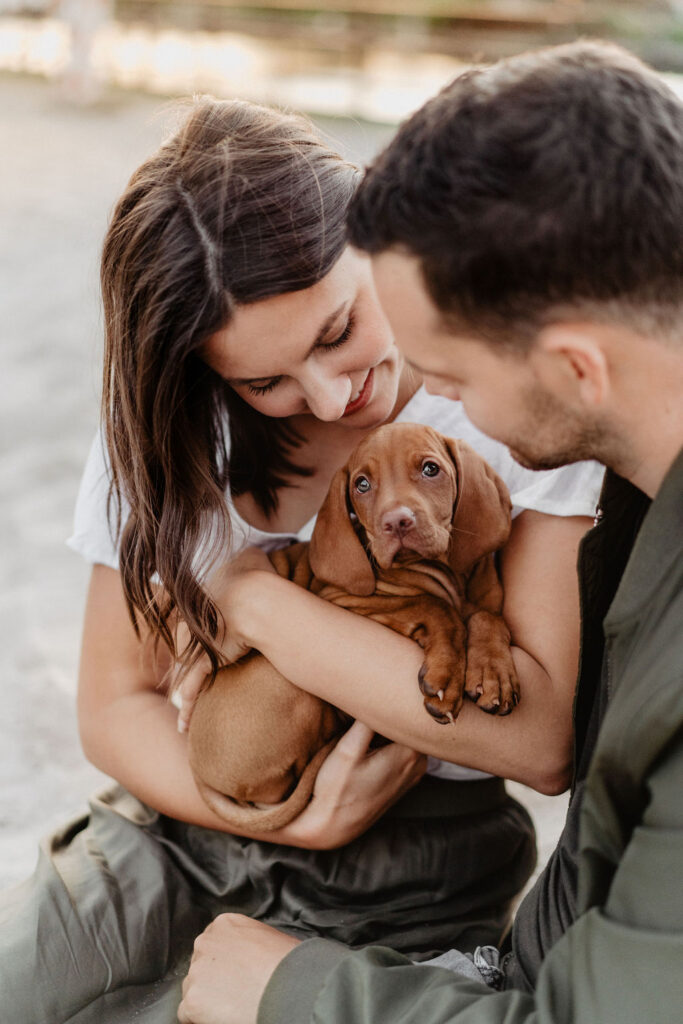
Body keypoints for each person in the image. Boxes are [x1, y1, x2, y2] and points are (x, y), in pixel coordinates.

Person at [0, 98, 602, 1023]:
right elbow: (115, 704)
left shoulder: (495, 406)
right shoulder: (178, 432)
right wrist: (276, 819)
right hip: (179, 823)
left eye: (336, 331)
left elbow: (536, 735)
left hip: (414, 872)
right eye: (265, 382)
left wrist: (253, 600)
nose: (330, 397)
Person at [174, 40, 683, 1024]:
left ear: (577, 367)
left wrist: (285, 988)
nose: (421, 405)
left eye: (444, 381)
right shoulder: (637, 485)